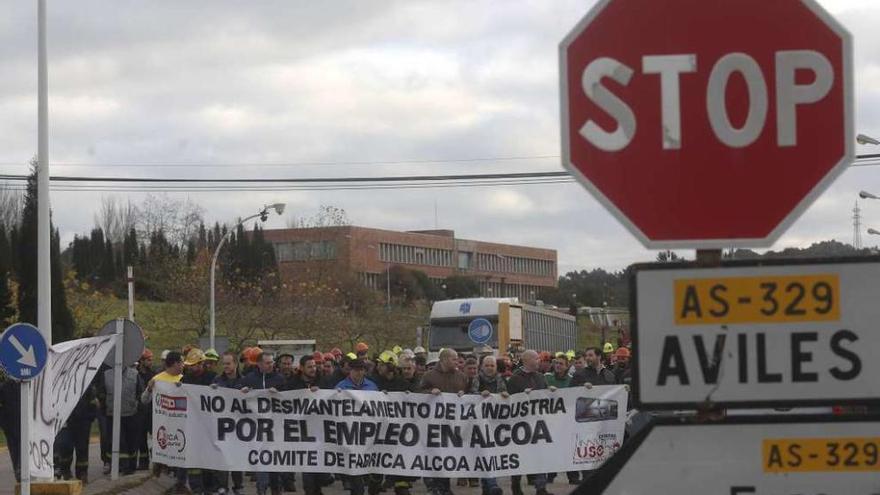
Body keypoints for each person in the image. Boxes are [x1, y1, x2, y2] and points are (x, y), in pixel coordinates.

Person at [419, 349, 468, 495]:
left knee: (447, 455)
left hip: (452, 425)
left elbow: (470, 395)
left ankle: (444, 487)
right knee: (434, 455)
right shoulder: (429, 376)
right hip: (432, 425)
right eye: (454, 359)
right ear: (444, 359)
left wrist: (464, 395)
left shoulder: (462, 377)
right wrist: (429, 392)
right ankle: (435, 486)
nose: (457, 362)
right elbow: (416, 394)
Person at [506, 350, 554, 495]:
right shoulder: (514, 378)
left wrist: (551, 392)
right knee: (520, 456)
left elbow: (545, 394)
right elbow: (510, 400)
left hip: (538, 423)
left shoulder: (540, 377)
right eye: (536, 359)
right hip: (520, 424)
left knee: (540, 455)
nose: (539, 361)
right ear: (526, 360)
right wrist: (522, 396)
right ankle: (515, 485)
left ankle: (541, 488)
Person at [242, 352, 285, 495]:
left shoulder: (280, 378)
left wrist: (279, 393)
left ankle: (276, 488)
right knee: (261, 460)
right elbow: (237, 398)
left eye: (272, 362)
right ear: (259, 364)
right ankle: (261, 489)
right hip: (256, 428)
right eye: (268, 362)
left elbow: (289, 398)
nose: (271, 364)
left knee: (275, 461)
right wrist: (243, 391)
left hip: (276, 428)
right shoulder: (249, 379)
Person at [336, 359, 377, 495]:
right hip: (349, 434)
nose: (358, 372)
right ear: (350, 371)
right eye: (355, 370)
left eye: (361, 370)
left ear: (364, 371)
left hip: (367, 434)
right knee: (355, 474)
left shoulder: (372, 386)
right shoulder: (340, 387)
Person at [101, 358, 145, 475]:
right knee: (118, 442)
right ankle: (121, 465)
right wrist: (104, 409)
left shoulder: (135, 374)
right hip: (112, 415)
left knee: (131, 441)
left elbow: (140, 393)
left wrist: (136, 406)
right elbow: (102, 393)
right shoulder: (106, 375)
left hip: (131, 414)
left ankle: (130, 466)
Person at [470, 356, 507, 495]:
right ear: (482, 367)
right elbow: (470, 396)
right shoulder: (476, 379)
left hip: (494, 424)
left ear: (496, 367)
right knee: (484, 454)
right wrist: (479, 394)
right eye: (487, 365)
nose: (490, 368)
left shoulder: (500, 380)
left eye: (492, 365)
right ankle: (491, 485)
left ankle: (489, 487)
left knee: (490, 454)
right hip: (479, 424)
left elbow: (505, 397)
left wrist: (503, 395)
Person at [212, 352, 245, 495]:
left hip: (239, 427)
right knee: (222, 458)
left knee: (237, 457)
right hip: (222, 427)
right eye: (224, 363)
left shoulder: (245, 381)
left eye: (228, 363)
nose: (225, 366)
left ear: (235, 364)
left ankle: (238, 486)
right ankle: (222, 487)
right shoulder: (217, 380)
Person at [55, 377, 97, 482]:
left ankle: (82, 473)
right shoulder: (60, 382)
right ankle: (65, 470)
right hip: (65, 421)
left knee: (82, 448)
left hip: (83, 421)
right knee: (65, 446)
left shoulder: (86, 381)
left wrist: (90, 417)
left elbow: (92, 401)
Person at [135, 349, 156, 471]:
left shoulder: (153, 375)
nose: (150, 362)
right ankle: (143, 462)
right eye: (148, 360)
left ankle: (158, 462)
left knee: (155, 436)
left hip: (152, 410)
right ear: (141, 361)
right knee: (140, 437)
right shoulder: (135, 374)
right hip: (139, 411)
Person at [0, 371, 21, 481]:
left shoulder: (28, 386)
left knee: (24, 449)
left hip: (25, 425)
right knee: (14, 450)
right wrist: (3, 423)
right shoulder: (5, 387)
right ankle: (18, 473)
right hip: (10, 426)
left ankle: (22, 471)